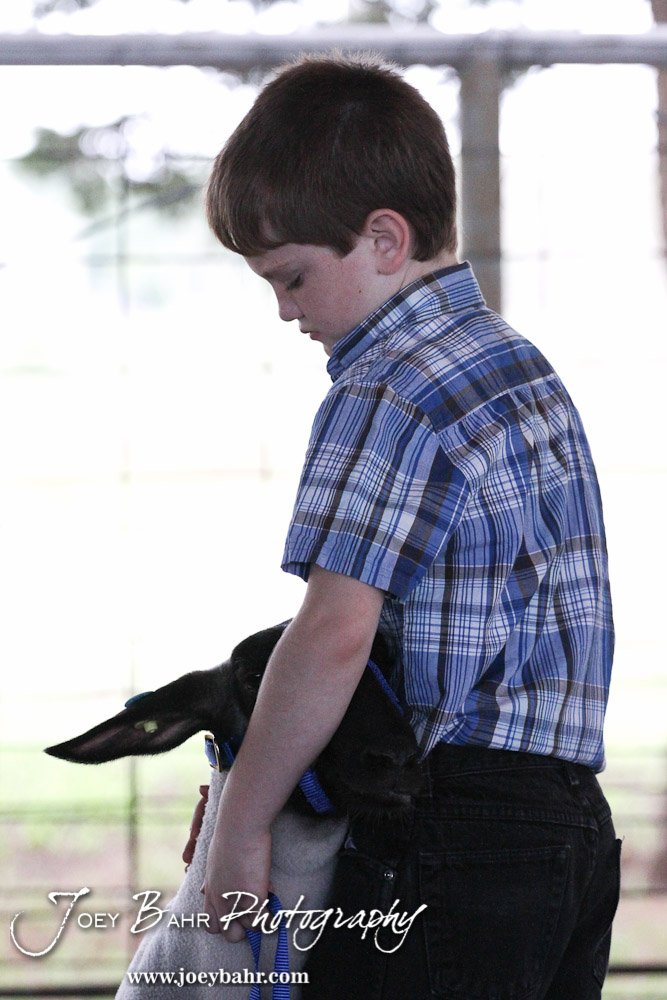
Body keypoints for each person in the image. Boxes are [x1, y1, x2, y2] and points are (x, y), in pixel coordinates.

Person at [201, 52, 619, 999]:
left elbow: (334, 631)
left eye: (293, 276)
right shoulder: (517, 365)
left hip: (454, 833)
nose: (284, 310)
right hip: (568, 831)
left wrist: (242, 824)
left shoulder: (386, 385)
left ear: (384, 239)